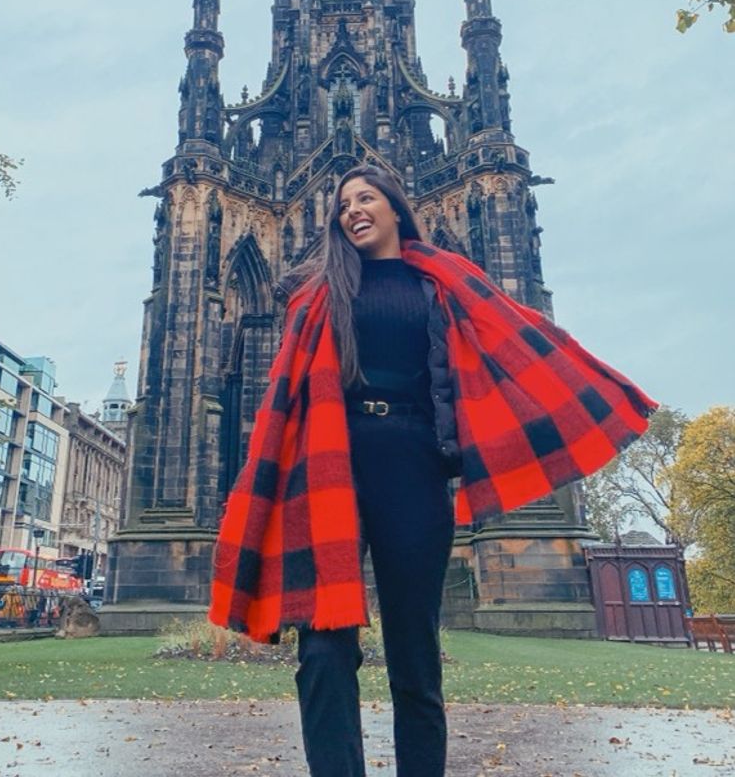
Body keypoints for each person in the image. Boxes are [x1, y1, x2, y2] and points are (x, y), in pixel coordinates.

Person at [209, 163, 657, 777]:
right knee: (320, 648)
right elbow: (284, 387)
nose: (352, 210)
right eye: (343, 205)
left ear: (396, 207)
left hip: (414, 465)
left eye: (366, 198)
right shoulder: (319, 292)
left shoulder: (443, 283)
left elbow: (511, 338)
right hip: (329, 465)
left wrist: (592, 395)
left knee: (415, 656)